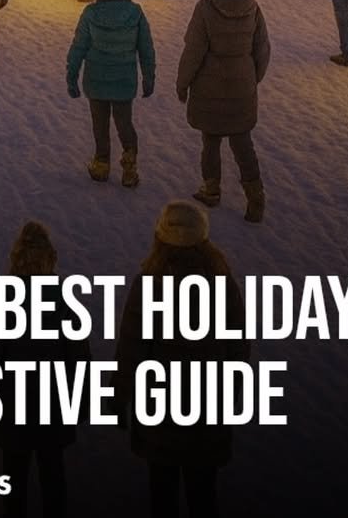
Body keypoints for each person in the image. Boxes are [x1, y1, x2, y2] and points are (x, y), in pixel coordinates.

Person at [115, 202, 247, 518]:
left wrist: (119, 397)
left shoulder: (149, 284)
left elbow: (132, 348)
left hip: (159, 416)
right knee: (203, 497)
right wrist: (231, 397)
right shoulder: (222, 283)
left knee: (162, 497)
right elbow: (238, 349)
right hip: (209, 415)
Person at [0, 222, 89, 517]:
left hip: (12, 406)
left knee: (14, 478)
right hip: (55, 406)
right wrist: (82, 402)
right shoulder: (66, 301)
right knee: (53, 474)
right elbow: (79, 357)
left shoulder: (7, 300)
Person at [177, 0, 270, 221]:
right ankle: (255, 197)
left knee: (211, 141)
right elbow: (262, 48)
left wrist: (183, 83)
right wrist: (251, 77)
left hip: (210, 88)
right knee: (243, 144)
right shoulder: (252, 6)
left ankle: (211, 188)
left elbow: (193, 51)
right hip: (242, 87)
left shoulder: (205, 8)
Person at [66, 0, 155, 186]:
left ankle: (101, 163)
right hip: (124, 81)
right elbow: (146, 49)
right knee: (124, 123)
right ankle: (129, 164)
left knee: (100, 124)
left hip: (96, 80)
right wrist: (149, 77)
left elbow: (78, 46)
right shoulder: (135, 13)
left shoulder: (91, 13)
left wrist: (72, 75)